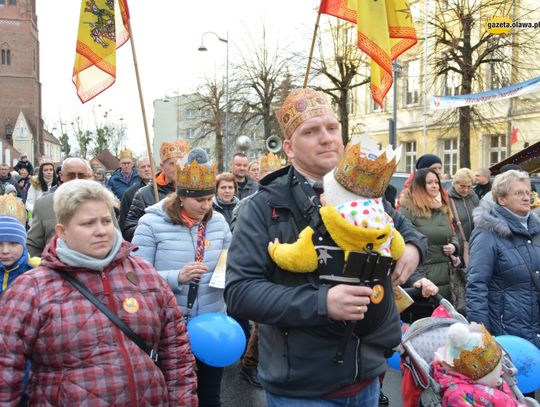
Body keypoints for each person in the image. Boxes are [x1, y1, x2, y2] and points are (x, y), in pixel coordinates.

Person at [224, 88, 427, 406]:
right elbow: (239, 293)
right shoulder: (262, 207)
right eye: (311, 132)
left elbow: (408, 231)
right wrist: (323, 302)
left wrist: (413, 249)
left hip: (367, 377)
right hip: (303, 390)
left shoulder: (366, 196)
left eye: (332, 128)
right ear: (289, 148)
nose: (326, 138)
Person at [0, 179, 198, 405]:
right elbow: (6, 371)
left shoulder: (145, 275)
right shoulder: (32, 289)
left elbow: (177, 355)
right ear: (62, 231)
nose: (101, 231)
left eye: (106, 221)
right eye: (88, 223)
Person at [133, 148, 231, 407]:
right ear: (182, 196)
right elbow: (135, 276)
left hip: (212, 325)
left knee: (210, 396)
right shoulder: (151, 223)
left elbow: (229, 259)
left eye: (210, 199)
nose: (207, 206)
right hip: (169, 327)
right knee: (172, 396)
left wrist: (230, 274)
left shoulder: (219, 222)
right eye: (200, 200)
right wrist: (177, 276)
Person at [467, 170, 540, 349]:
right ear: (502, 199)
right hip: (506, 332)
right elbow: (476, 285)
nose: (526, 198)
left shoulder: (536, 230)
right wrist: (481, 336)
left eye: (528, 193)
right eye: (518, 193)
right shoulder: (487, 233)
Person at [399, 168, 459, 301]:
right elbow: (402, 247)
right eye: (429, 182)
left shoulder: (442, 209)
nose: (434, 186)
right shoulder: (407, 211)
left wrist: (454, 246)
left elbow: (452, 234)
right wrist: (417, 278)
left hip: (446, 279)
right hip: (421, 281)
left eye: (436, 182)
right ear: (419, 185)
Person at [432, 322, 527, 407]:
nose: (502, 372)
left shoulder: (495, 382)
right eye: (497, 370)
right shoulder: (458, 395)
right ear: (482, 374)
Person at [122, 139, 189, 241]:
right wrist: (152, 228)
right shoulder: (144, 194)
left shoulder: (194, 192)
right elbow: (128, 231)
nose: (178, 168)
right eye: (172, 164)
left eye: (182, 163)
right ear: (162, 167)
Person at [26, 157, 94, 257]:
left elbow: (115, 239)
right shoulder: (44, 204)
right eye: (71, 175)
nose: (76, 180)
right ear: (61, 176)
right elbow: (33, 245)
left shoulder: (102, 202)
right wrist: (43, 267)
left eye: (81, 175)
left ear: (88, 176)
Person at [119, 156, 152, 232]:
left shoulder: (166, 189)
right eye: (143, 167)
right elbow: (124, 223)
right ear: (137, 171)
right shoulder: (130, 193)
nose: (147, 169)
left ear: (155, 169)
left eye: (149, 166)